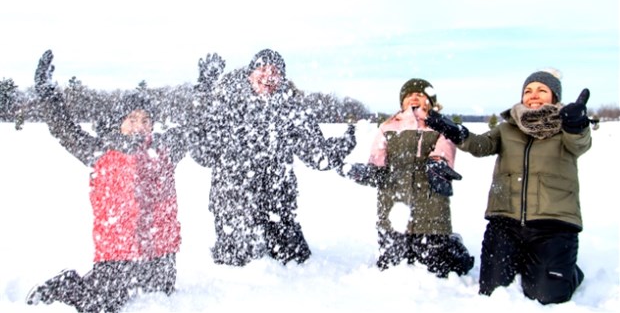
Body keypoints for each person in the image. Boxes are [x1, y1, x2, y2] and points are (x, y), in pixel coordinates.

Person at [26, 50, 188, 313]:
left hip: (160, 253)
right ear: (120, 123)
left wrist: (204, 86)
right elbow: (64, 128)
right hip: (117, 254)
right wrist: (47, 93)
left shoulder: (165, 149)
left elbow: (198, 126)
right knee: (101, 306)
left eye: (146, 120)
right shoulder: (101, 152)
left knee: (161, 299)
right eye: (132, 119)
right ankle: (67, 284)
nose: (140, 126)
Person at [425, 69, 591, 304]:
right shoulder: (507, 128)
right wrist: (455, 131)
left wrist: (576, 125)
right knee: (491, 291)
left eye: (541, 90)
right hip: (505, 220)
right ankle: (525, 258)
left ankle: (568, 270)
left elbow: (580, 144)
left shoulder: (567, 127)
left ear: (555, 96)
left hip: (553, 224)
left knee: (547, 295)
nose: (533, 95)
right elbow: (482, 145)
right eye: (528, 91)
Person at [190, 49, 356, 266]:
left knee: (297, 265)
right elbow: (202, 152)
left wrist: (340, 147)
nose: (269, 75)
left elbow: (316, 154)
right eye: (262, 68)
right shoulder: (227, 103)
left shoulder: (291, 109)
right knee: (236, 271)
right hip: (235, 208)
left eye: (275, 71)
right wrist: (204, 91)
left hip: (278, 206)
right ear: (250, 73)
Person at [339, 78, 474, 277]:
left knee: (434, 267)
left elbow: (445, 149)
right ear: (402, 101)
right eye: (409, 95)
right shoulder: (388, 126)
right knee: (391, 264)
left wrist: (438, 163)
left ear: (431, 101)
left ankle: (452, 245)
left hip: (431, 207)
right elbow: (378, 161)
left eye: (420, 95)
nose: (414, 98)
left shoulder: (441, 125)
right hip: (394, 207)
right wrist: (365, 172)